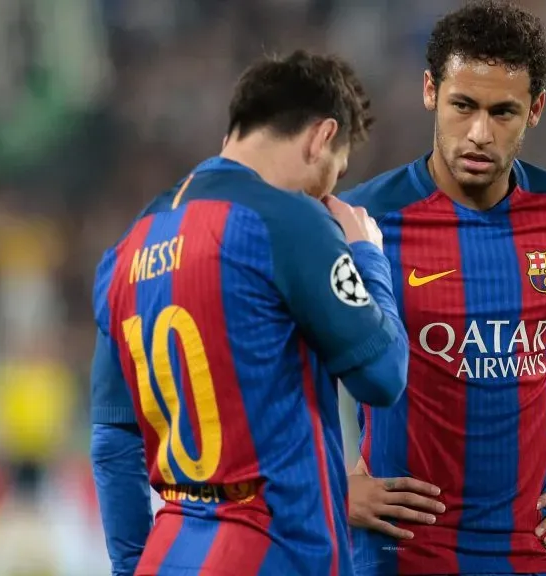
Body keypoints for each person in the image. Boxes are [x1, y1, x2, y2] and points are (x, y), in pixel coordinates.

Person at [340, 2, 546, 575]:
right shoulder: (364, 219)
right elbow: (285, 359)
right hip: (400, 552)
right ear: (431, 91)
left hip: (532, 551)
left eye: (504, 112)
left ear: (537, 108)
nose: (480, 133)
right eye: (463, 106)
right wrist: (330, 481)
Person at [90, 49, 408, 576]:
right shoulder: (289, 222)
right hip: (275, 548)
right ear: (320, 137)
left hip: (170, 553)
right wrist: (369, 257)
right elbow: (383, 374)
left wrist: (132, 566)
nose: (330, 188)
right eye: (338, 168)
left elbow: (112, 443)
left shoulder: (125, 251)